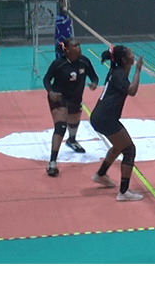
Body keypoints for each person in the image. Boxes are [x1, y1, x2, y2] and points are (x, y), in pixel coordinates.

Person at [89, 45, 145, 201]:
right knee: (129, 150)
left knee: (118, 146)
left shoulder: (117, 71)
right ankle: (123, 192)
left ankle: (100, 175)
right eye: (130, 54)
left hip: (100, 117)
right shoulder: (119, 74)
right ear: (124, 59)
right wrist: (138, 70)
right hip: (106, 118)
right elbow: (132, 91)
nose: (133, 55)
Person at [42, 38, 100, 177]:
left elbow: (94, 77)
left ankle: (71, 140)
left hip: (75, 98)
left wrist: (94, 83)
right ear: (67, 49)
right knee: (61, 126)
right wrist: (50, 92)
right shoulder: (59, 63)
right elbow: (46, 79)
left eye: (79, 45)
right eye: (74, 46)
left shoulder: (84, 61)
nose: (78, 47)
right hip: (59, 97)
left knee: (74, 122)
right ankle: (52, 162)